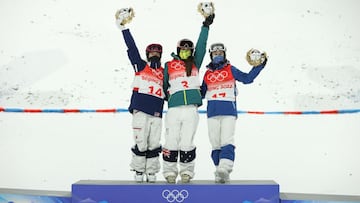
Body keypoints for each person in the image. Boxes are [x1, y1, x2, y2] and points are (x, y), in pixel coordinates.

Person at [201, 43, 267, 183]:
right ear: (211, 55)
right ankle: (220, 171)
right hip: (212, 112)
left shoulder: (230, 69)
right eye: (215, 53)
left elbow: (247, 78)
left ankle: (226, 167)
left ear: (224, 54)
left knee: (226, 140)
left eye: (220, 52)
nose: (218, 54)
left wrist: (259, 65)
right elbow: (200, 93)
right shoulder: (207, 73)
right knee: (215, 144)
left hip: (228, 111)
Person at [161, 13, 215, 184]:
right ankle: (169, 172)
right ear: (178, 50)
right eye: (183, 50)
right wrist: (169, 98)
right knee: (171, 139)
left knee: (187, 141)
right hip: (174, 108)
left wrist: (205, 26)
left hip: (191, 108)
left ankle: (186, 172)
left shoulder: (195, 63)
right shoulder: (169, 65)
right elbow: (163, 85)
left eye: (188, 50)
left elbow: (202, 44)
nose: (185, 52)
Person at [115, 8, 165, 183]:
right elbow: (132, 47)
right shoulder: (140, 66)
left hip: (157, 112)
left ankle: (151, 172)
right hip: (140, 110)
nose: (154, 54)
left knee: (154, 143)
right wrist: (123, 28)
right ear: (147, 55)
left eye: (157, 52)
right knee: (141, 142)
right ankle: (138, 170)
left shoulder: (164, 73)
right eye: (151, 52)